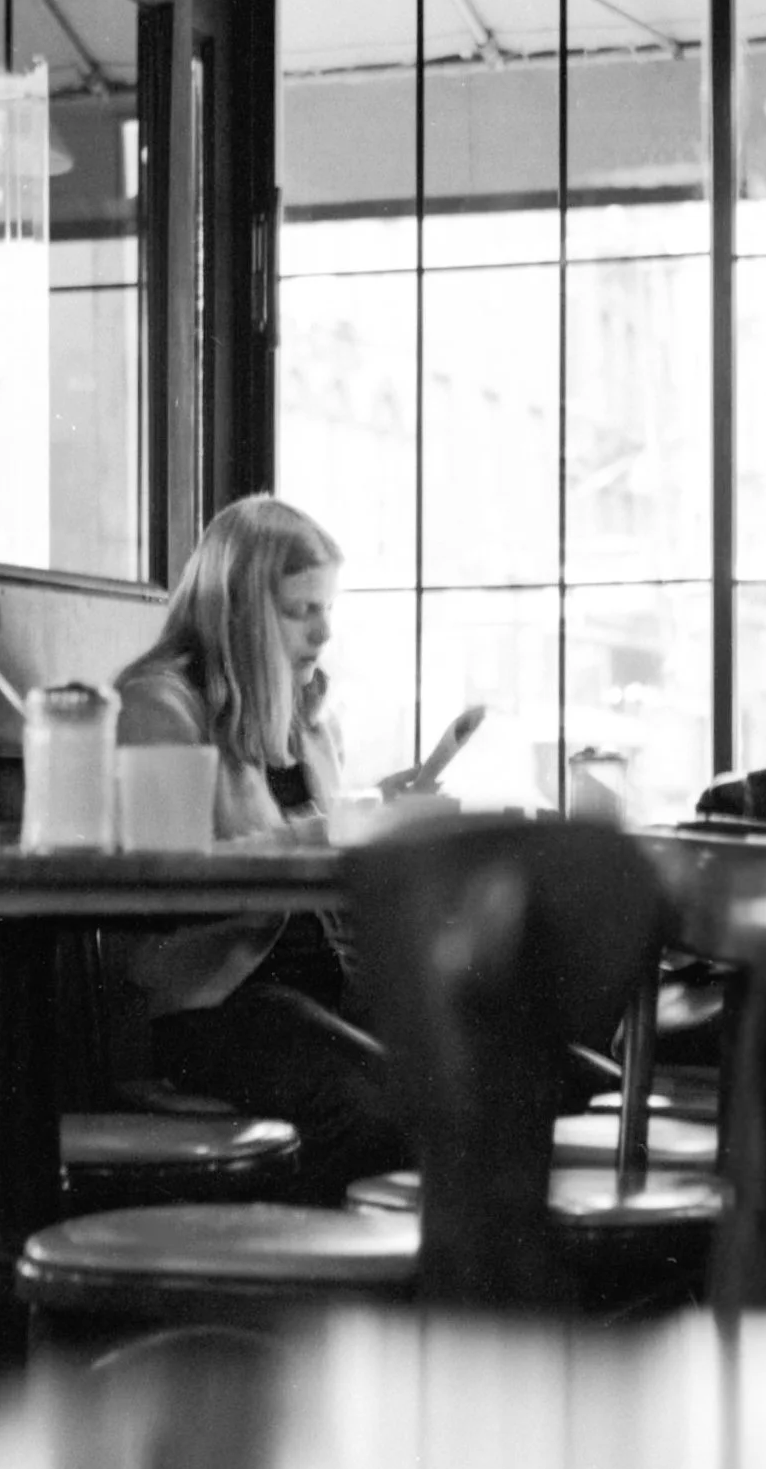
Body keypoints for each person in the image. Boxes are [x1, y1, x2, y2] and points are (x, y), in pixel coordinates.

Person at [109, 493, 485, 1201]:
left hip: (330, 993)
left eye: (327, 608)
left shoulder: (308, 715)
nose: (323, 631)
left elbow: (313, 839)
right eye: (300, 610)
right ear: (241, 608)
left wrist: (380, 814)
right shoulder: (160, 704)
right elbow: (165, 883)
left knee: (537, 1074)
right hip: (215, 1005)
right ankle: (288, 1286)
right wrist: (331, 826)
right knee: (387, 1107)